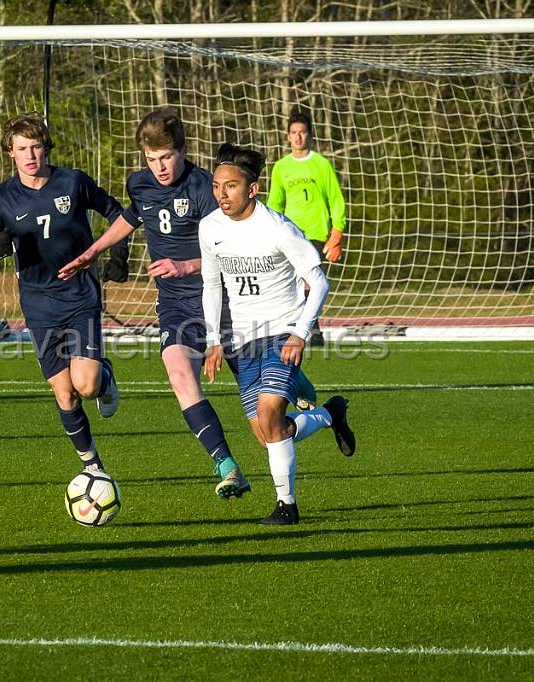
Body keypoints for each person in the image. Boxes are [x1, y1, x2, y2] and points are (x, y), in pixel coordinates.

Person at [59, 108, 255, 499]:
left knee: (263, 416)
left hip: (223, 303)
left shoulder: (204, 188)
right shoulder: (140, 185)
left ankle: (318, 406)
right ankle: (227, 466)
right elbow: (132, 218)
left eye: (166, 157)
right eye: (152, 159)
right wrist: (93, 251)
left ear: (181, 150)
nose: (160, 167)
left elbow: (234, 247)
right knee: (179, 373)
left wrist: (188, 265)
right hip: (176, 307)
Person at [200, 142, 356, 526]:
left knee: (271, 415)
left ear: (252, 189)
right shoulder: (209, 228)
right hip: (240, 341)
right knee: (271, 434)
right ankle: (328, 415)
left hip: (281, 332)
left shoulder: (278, 228)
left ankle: (287, 507)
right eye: (217, 185)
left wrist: (300, 333)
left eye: (231, 186)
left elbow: (318, 283)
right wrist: (213, 341)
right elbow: (211, 285)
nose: (222, 193)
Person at [0, 113, 125, 473]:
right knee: (64, 393)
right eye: (22, 148)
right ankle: (93, 467)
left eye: (36, 147)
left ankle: (106, 381)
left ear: (46, 148)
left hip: (79, 296)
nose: (30, 155)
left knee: (86, 386)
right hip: (39, 305)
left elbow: (118, 212)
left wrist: (117, 253)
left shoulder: (72, 182)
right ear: (10, 152)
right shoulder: (1, 199)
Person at [266, 110, 347, 347]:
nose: (298, 137)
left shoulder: (321, 165)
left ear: (310, 135)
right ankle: (304, 329)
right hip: (289, 233)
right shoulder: (281, 167)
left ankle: (312, 331)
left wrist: (337, 232)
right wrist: (270, 229)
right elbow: (275, 202)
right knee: (293, 285)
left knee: (310, 282)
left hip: (315, 233)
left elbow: (336, 199)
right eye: (294, 133)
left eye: (302, 132)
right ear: (288, 136)